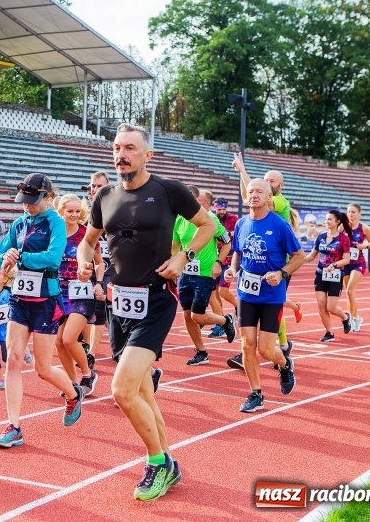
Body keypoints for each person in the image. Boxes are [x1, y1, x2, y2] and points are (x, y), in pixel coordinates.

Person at [76, 123, 217, 501]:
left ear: (147, 155)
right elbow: (88, 242)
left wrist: (184, 256)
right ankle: (169, 462)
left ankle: (156, 462)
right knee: (142, 392)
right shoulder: (104, 195)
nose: (121, 155)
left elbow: (207, 225)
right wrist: (85, 261)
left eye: (130, 149)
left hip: (155, 301)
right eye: (117, 148)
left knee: (121, 391)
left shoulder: (168, 190)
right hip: (119, 305)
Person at [0, 172, 82, 449]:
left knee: (42, 368)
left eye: (33, 201)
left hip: (45, 301)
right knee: (14, 359)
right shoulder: (19, 223)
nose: (27, 206)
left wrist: (21, 257)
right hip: (19, 298)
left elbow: (52, 257)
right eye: (24, 201)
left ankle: (73, 394)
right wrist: (5, 257)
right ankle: (14, 427)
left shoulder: (55, 222)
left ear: (48, 197)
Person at [224, 178, 304, 414]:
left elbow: (299, 256)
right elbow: (237, 252)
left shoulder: (280, 226)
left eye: (259, 191)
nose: (254, 195)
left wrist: (281, 273)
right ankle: (255, 393)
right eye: (251, 191)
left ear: (270, 196)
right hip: (246, 293)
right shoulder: (241, 224)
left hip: (271, 296)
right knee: (247, 344)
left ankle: (285, 364)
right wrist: (232, 269)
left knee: (266, 350)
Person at [227, 154, 294, 370]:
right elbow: (248, 196)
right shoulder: (245, 220)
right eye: (265, 179)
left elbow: (253, 196)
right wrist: (242, 174)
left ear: (279, 186)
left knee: (272, 304)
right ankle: (257, 349)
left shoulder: (280, 201)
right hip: (251, 275)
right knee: (252, 328)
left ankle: (280, 347)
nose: (267, 182)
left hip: (277, 265)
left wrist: (243, 171)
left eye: (271, 181)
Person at [173, 185, 236, 366]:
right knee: (187, 315)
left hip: (205, 273)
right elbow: (174, 247)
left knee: (197, 316)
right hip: (185, 273)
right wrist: (172, 266)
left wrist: (218, 262)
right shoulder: (179, 220)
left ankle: (225, 320)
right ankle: (201, 352)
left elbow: (227, 243)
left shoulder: (211, 219)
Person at [53, 194, 102, 395]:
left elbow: (100, 263)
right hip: (58, 292)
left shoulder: (86, 234)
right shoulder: (54, 234)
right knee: (58, 342)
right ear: (61, 212)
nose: (74, 215)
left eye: (77, 211)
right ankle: (73, 382)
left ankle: (88, 374)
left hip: (82, 291)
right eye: (70, 211)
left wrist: (98, 283)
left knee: (69, 339)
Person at [304, 210, 353, 342]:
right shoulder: (321, 237)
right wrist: (298, 259)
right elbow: (311, 256)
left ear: (338, 222)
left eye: (330, 219)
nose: (327, 221)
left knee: (331, 307)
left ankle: (345, 317)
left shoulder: (343, 239)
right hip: (320, 274)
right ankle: (329, 332)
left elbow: (346, 259)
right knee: (321, 304)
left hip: (335, 275)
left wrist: (334, 265)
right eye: (326, 219)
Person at [83, 171, 111, 369]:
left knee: (101, 309)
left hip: (113, 269)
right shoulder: (85, 213)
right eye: (93, 185)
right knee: (98, 313)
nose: (95, 189)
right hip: (91, 268)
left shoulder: (116, 209)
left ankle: (91, 353)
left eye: (99, 186)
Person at [208, 197, 240, 338]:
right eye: (219, 209)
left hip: (228, 259)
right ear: (215, 207)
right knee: (214, 294)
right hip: (214, 260)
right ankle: (220, 323)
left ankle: (239, 305)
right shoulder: (211, 218)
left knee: (223, 291)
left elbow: (238, 236)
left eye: (223, 209)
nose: (221, 211)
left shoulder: (233, 220)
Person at [344, 203, 370, 331]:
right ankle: (355, 317)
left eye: (353, 212)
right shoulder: (342, 227)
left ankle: (352, 320)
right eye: (348, 212)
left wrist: (364, 246)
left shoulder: (365, 228)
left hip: (358, 263)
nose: (350, 214)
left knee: (350, 290)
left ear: (359, 214)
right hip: (345, 262)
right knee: (348, 293)